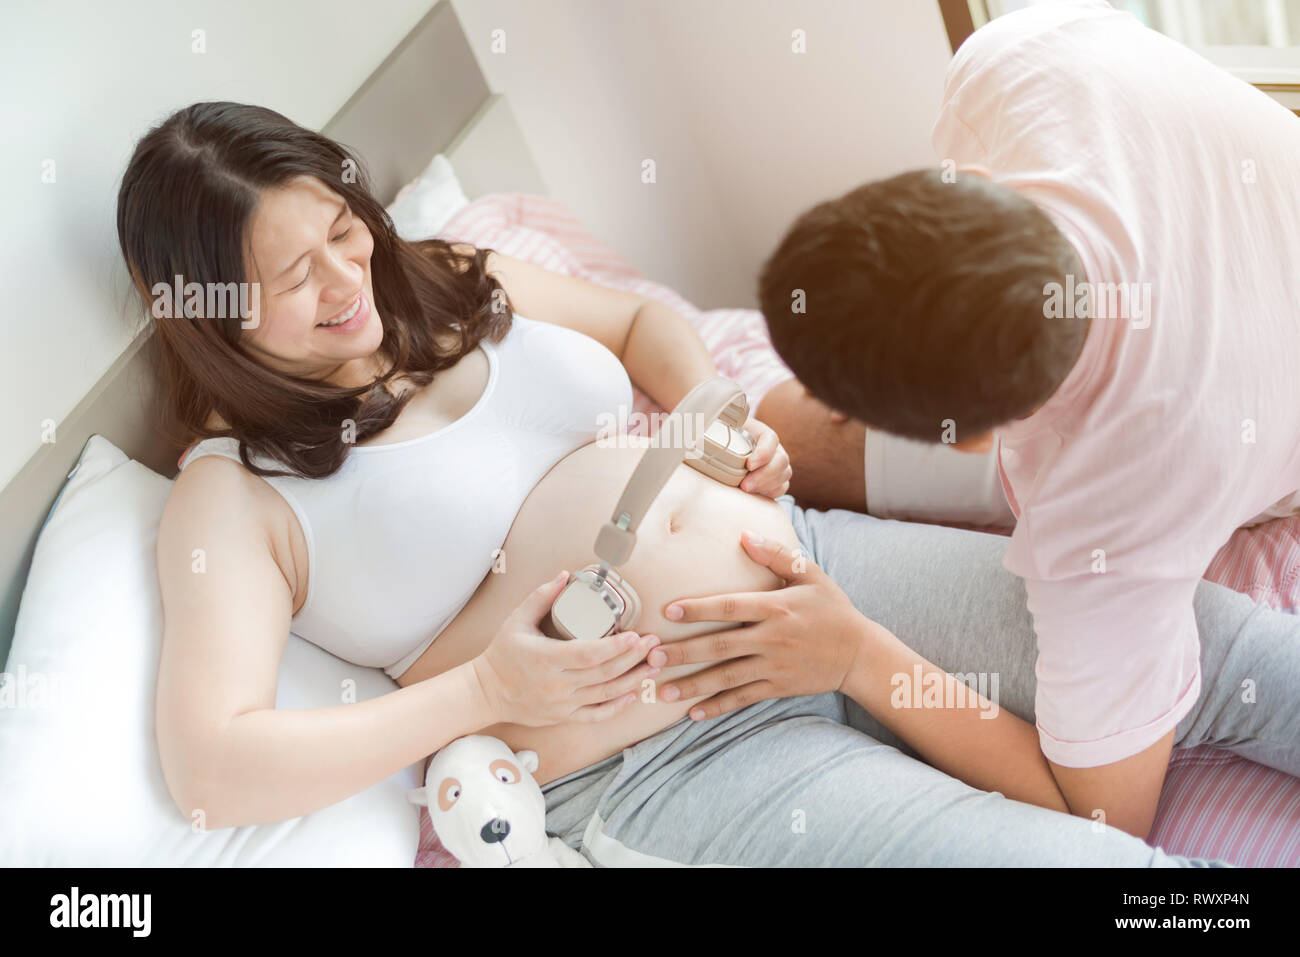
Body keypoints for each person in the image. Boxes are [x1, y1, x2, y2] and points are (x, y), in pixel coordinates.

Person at [118, 101, 1295, 867]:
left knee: (1227, 649)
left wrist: (704, 411)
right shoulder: (232, 495)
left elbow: (635, 318)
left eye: (340, 228)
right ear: (202, 313)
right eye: (288, 273)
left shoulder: (438, 278)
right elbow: (214, 769)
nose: (341, 278)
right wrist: (482, 688)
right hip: (667, 753)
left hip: (813, 573)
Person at [735, 0, 1300, 838]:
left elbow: (1103, 814)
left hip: (1244, 417)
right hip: (1240, 300)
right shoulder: (1023, 58)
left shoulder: (1108, 525)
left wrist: (859, 656)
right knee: (781, 426)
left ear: (980, 437)